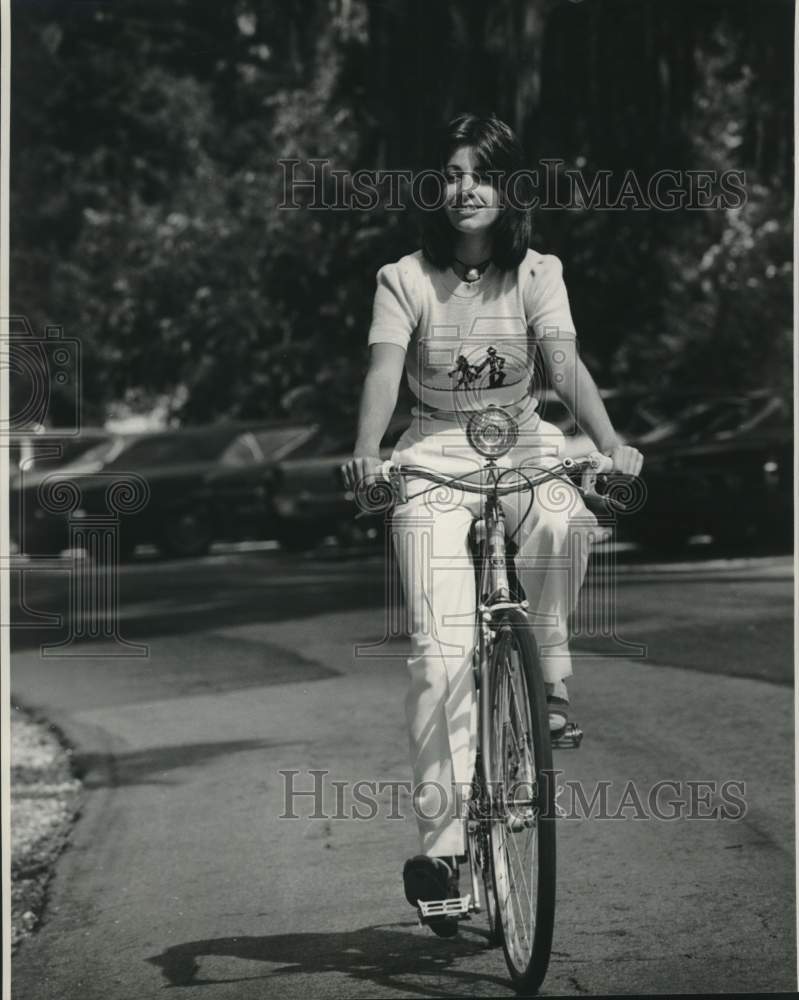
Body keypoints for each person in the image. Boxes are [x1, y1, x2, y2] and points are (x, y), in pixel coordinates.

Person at [341, 113, 643, 936]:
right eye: (450, 173)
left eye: (482, 173)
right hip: (434, 450)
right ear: (436, 190)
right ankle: (441, 850)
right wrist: (369, 452)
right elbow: (381, 372)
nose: (464, 188)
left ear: (509, 187)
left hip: (522, 439)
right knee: (438, 655)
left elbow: (563, 362)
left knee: (564, 520)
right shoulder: (402, 277)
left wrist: (611, 447)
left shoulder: (537, 272)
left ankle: (545, 676)